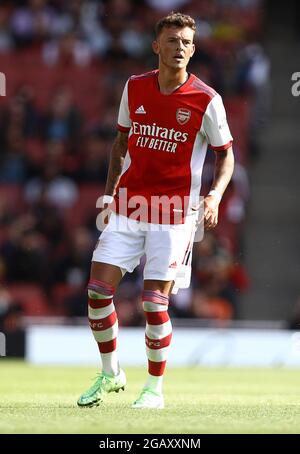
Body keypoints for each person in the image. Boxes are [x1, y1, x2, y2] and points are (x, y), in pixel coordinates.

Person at [77, 12, 234, 409]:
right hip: (129, 207)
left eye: (185, 42)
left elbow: (226, 156)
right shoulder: (135, 88)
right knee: (97, 293)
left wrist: (213, 196)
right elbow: (120, 145)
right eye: (172, 40)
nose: (179, 47)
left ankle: (154, 390)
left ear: (193, 49)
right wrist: (110, 196)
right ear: (156, 46)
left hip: (175, 214)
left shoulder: (206, 99)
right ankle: (111, 373)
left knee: (153, 303)